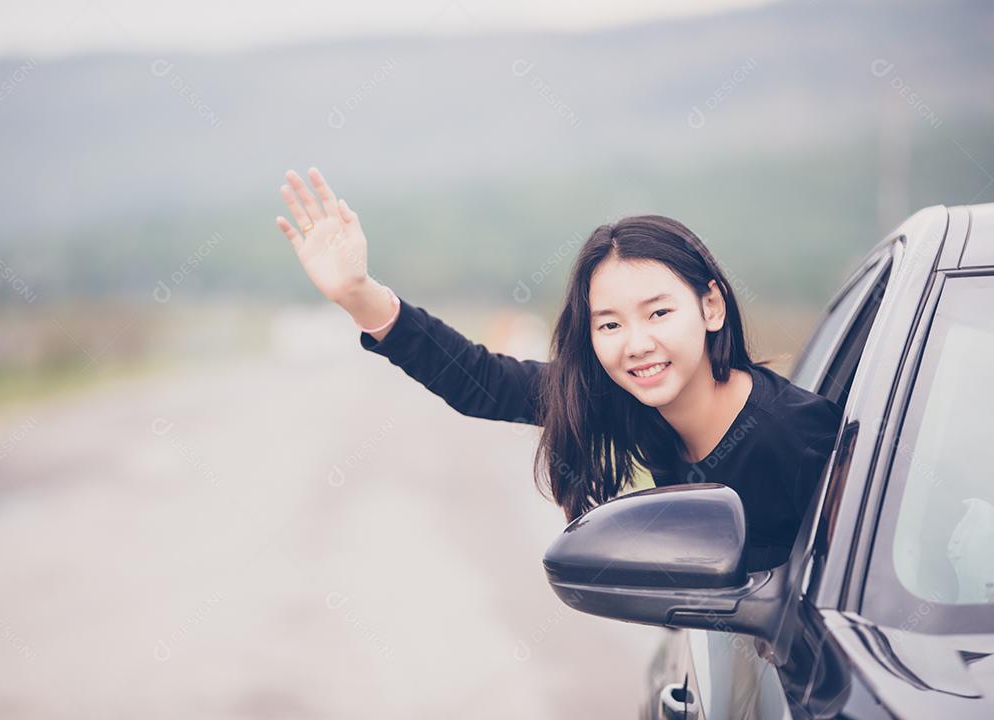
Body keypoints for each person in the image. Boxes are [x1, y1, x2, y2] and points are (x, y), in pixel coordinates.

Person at [276, 166, 843, 571]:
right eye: (610, 324)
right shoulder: (630, 404)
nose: (637, 344)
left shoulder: (794, 436)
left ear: (711, 306)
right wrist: (358, 295)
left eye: (659, 312)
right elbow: (484, 382)